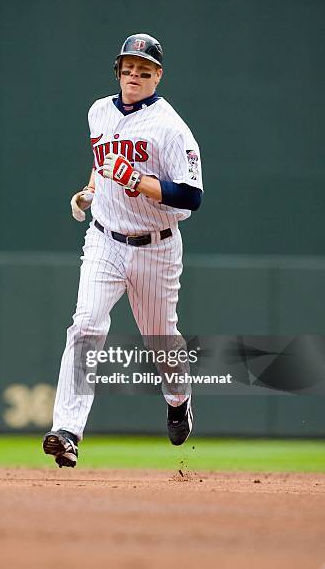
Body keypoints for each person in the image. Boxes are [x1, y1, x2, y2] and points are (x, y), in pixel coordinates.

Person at [43, 33, 203, 468]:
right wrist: (89, 192)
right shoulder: (99, 111)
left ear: (158, 76)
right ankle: (67, 431)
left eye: (144, 69)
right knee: (86, 325)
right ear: (118, 70)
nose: (134, 75)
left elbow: (191, 196)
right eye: (128, 67)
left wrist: (138, 181)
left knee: (161, 341)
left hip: (156, 247)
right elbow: (102, 164)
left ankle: (177, 400)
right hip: (105, 239)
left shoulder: (171, 127)